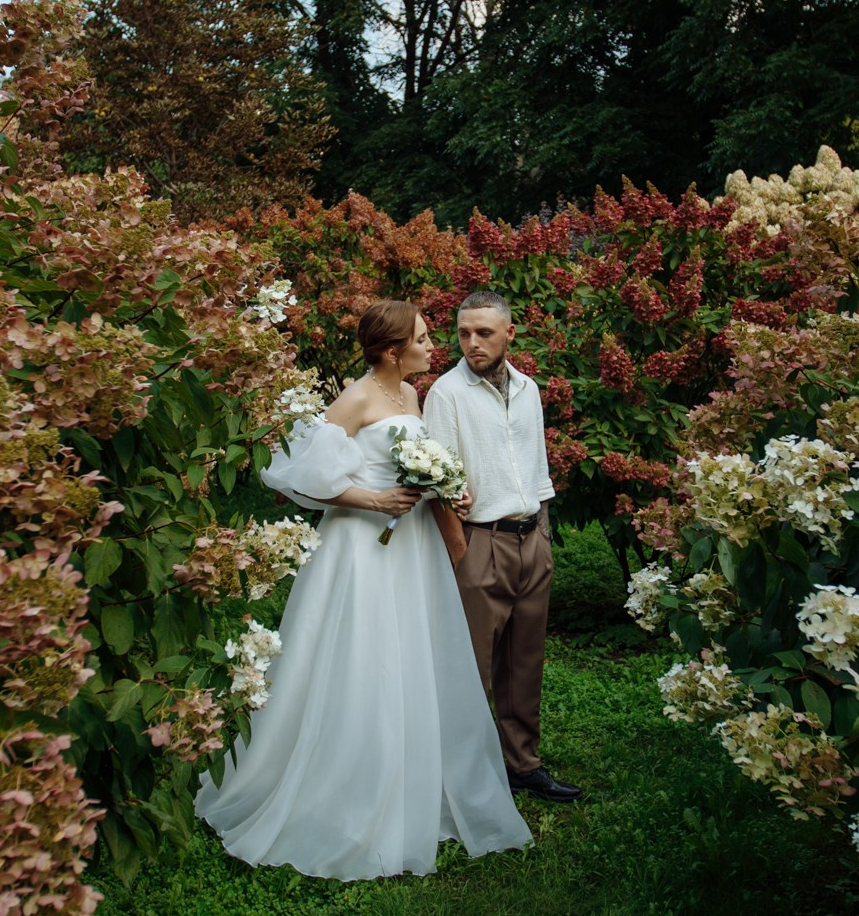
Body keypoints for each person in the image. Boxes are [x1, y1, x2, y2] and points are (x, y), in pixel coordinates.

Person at [194, 299, 533, 879]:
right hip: (360, 546)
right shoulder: (356, 398)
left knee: (412, 653)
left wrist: (445, 488)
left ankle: (413, 775)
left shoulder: (411, 396)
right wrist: (373, 499)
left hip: (412, 544)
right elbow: (302, 474)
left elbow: (416, 465)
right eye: (422, 339)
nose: (432, 346)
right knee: (363, 655)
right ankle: (346, 788)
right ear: (392, 351)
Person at [421, 290, 586, 804]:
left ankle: (523, 765)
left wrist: (544, 535)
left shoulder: (529, 388)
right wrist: (460, 555)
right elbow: (437, 483)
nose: (471, 342)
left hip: (531, 539)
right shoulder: (446, 394)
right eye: (463, 333)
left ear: (509, 333)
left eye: (484, 333)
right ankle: (460, 778)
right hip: (479, 543)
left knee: (524, 661)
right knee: (470, 668)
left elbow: (536, 467)